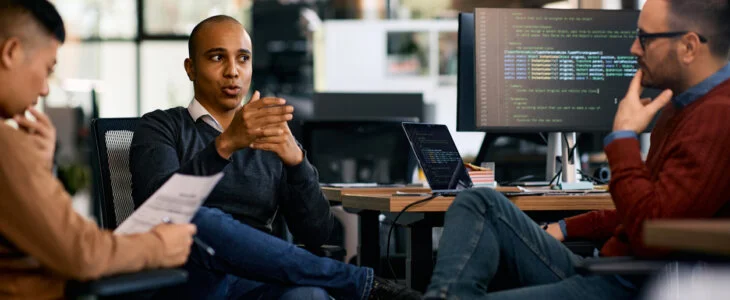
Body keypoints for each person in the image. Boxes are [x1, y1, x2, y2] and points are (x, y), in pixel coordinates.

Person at [424, 0, 730, 299]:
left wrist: (622, 137)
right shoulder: (682, 108)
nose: (634, 49)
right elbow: (644, 208)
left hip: (625, 284)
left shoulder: (717, 118)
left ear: (689, 47)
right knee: (479, 201)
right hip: (607, 270)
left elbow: (650, 232)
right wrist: (566, 226)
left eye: (645, 39)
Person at [129, 15, 420, 300]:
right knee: (193, 219)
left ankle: (357, 285)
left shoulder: (271, 136)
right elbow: (161, 206)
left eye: (243, 58)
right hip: (188, 278)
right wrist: (226, 144)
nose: (233, 71)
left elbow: (317, 233)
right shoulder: (160, 126)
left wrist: (297, 164)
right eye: (217, 58)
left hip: (258, 279)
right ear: (191, 68)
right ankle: (364, 285)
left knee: (309, 294)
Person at [0, 1, 197, 298]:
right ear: (11, 52)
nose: (44, 89)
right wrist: (159, 246)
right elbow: (82, 253)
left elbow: (50, 235)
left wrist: (36, 168)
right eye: (47, 69)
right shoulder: (6, 146)